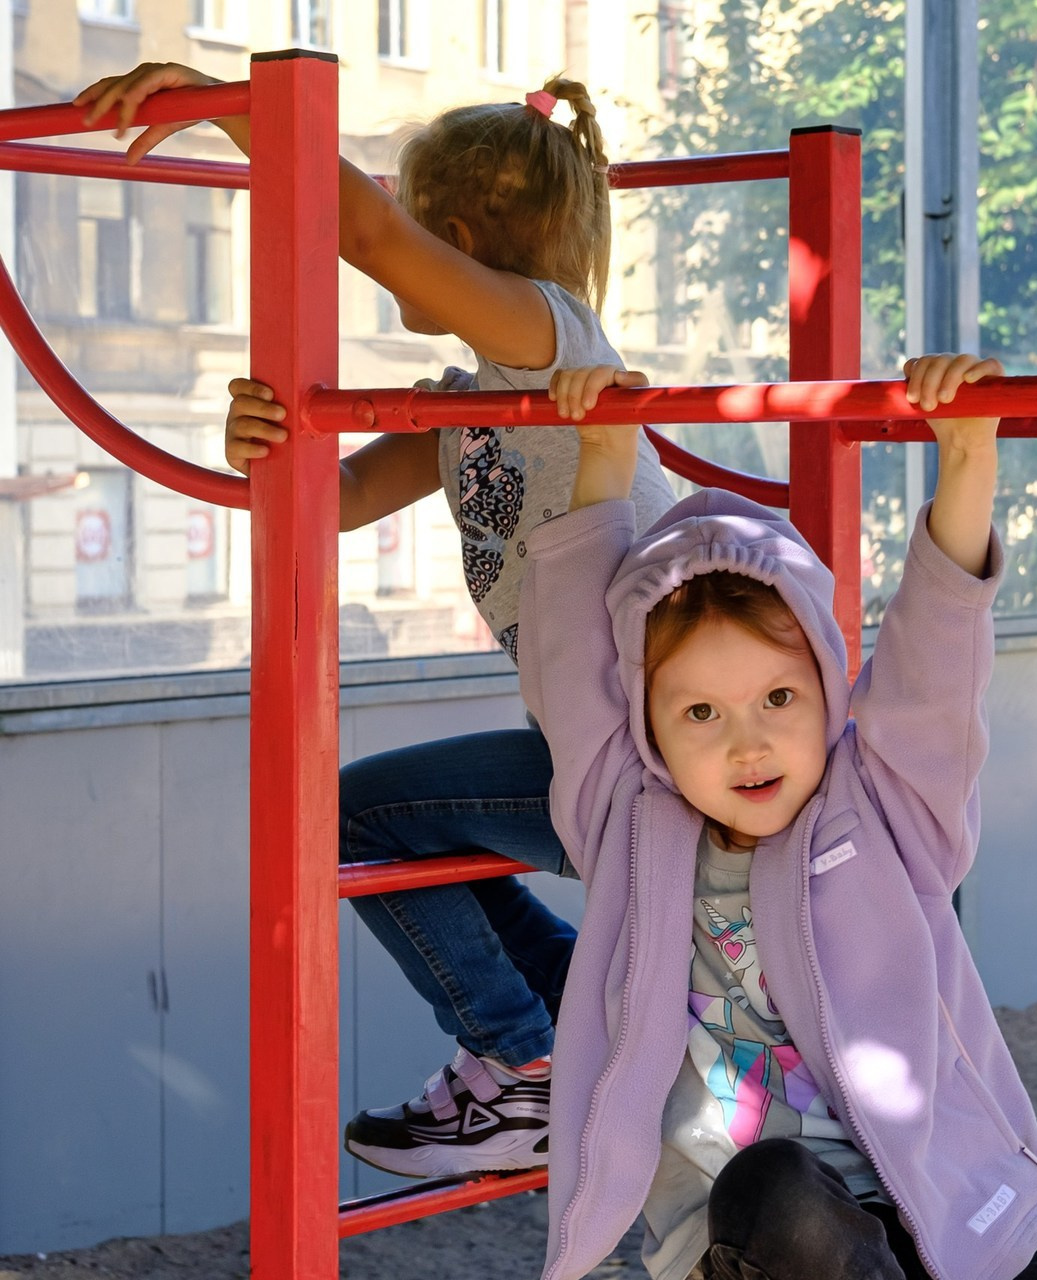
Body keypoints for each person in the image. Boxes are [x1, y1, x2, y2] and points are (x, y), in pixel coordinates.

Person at [75, 62, 676, 1179]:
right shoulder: (469, 400)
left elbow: (366, 235)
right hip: (598, 742)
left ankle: (521, 1064)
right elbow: (336, 497)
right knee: (421, 828)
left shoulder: (551, 340)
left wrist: (237, 109)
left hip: (648, 748)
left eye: (412, 219)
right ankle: (566, 1034)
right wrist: (263, 436)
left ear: (451, 231)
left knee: (350, 818)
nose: (396, 237)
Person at [517, 355, 1037, 1280]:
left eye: (779, 697)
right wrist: (600, 453)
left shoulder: (882, 809)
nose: (747, 744)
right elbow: (574, 672)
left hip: (923, 1204)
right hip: (762, 1242)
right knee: (773, 1182)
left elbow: (934, 673)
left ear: (828, 690)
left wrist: (968, 462)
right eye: (701, 712)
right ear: (650, 724)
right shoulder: (627, 821)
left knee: (1014, 1257)